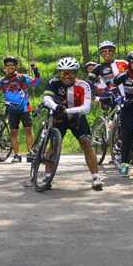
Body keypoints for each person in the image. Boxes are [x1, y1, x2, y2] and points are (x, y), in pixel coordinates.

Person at [43, 57, 104, 191]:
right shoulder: (53, 82)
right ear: (59, 73)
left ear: (76, 73)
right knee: (53, 146)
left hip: (76, 117)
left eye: (70, 73)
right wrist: (55, 107)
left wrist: (67, 110)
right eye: (63, 72)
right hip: (58, 117)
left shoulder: (84, 85)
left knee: (87, 144)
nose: (67, 76)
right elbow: (46, 98)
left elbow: (86, 107)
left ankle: (95, 177)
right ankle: (47, 176)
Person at [0, 55, 42, 163]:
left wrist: (36, 72)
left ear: (16, 66)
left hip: (25, 108)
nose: (10, 67)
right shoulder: (2, 80)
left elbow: (36, 82)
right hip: (12, 110)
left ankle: (31, 153)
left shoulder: (23, 77)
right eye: (7, 65)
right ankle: (17, 155)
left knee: (28, 130)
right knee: (14, 132)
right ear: (5, 67)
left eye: (12, 65)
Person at [86, 40, 128, 110]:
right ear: (101, 53)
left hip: (127, 95)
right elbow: (88, 80)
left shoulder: (123, 63)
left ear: (114, 52)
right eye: (104, 51)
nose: (107, 53)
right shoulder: (99, 67)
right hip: (111, 97)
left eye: (110, 50)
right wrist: (95, 94)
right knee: (114, 117)